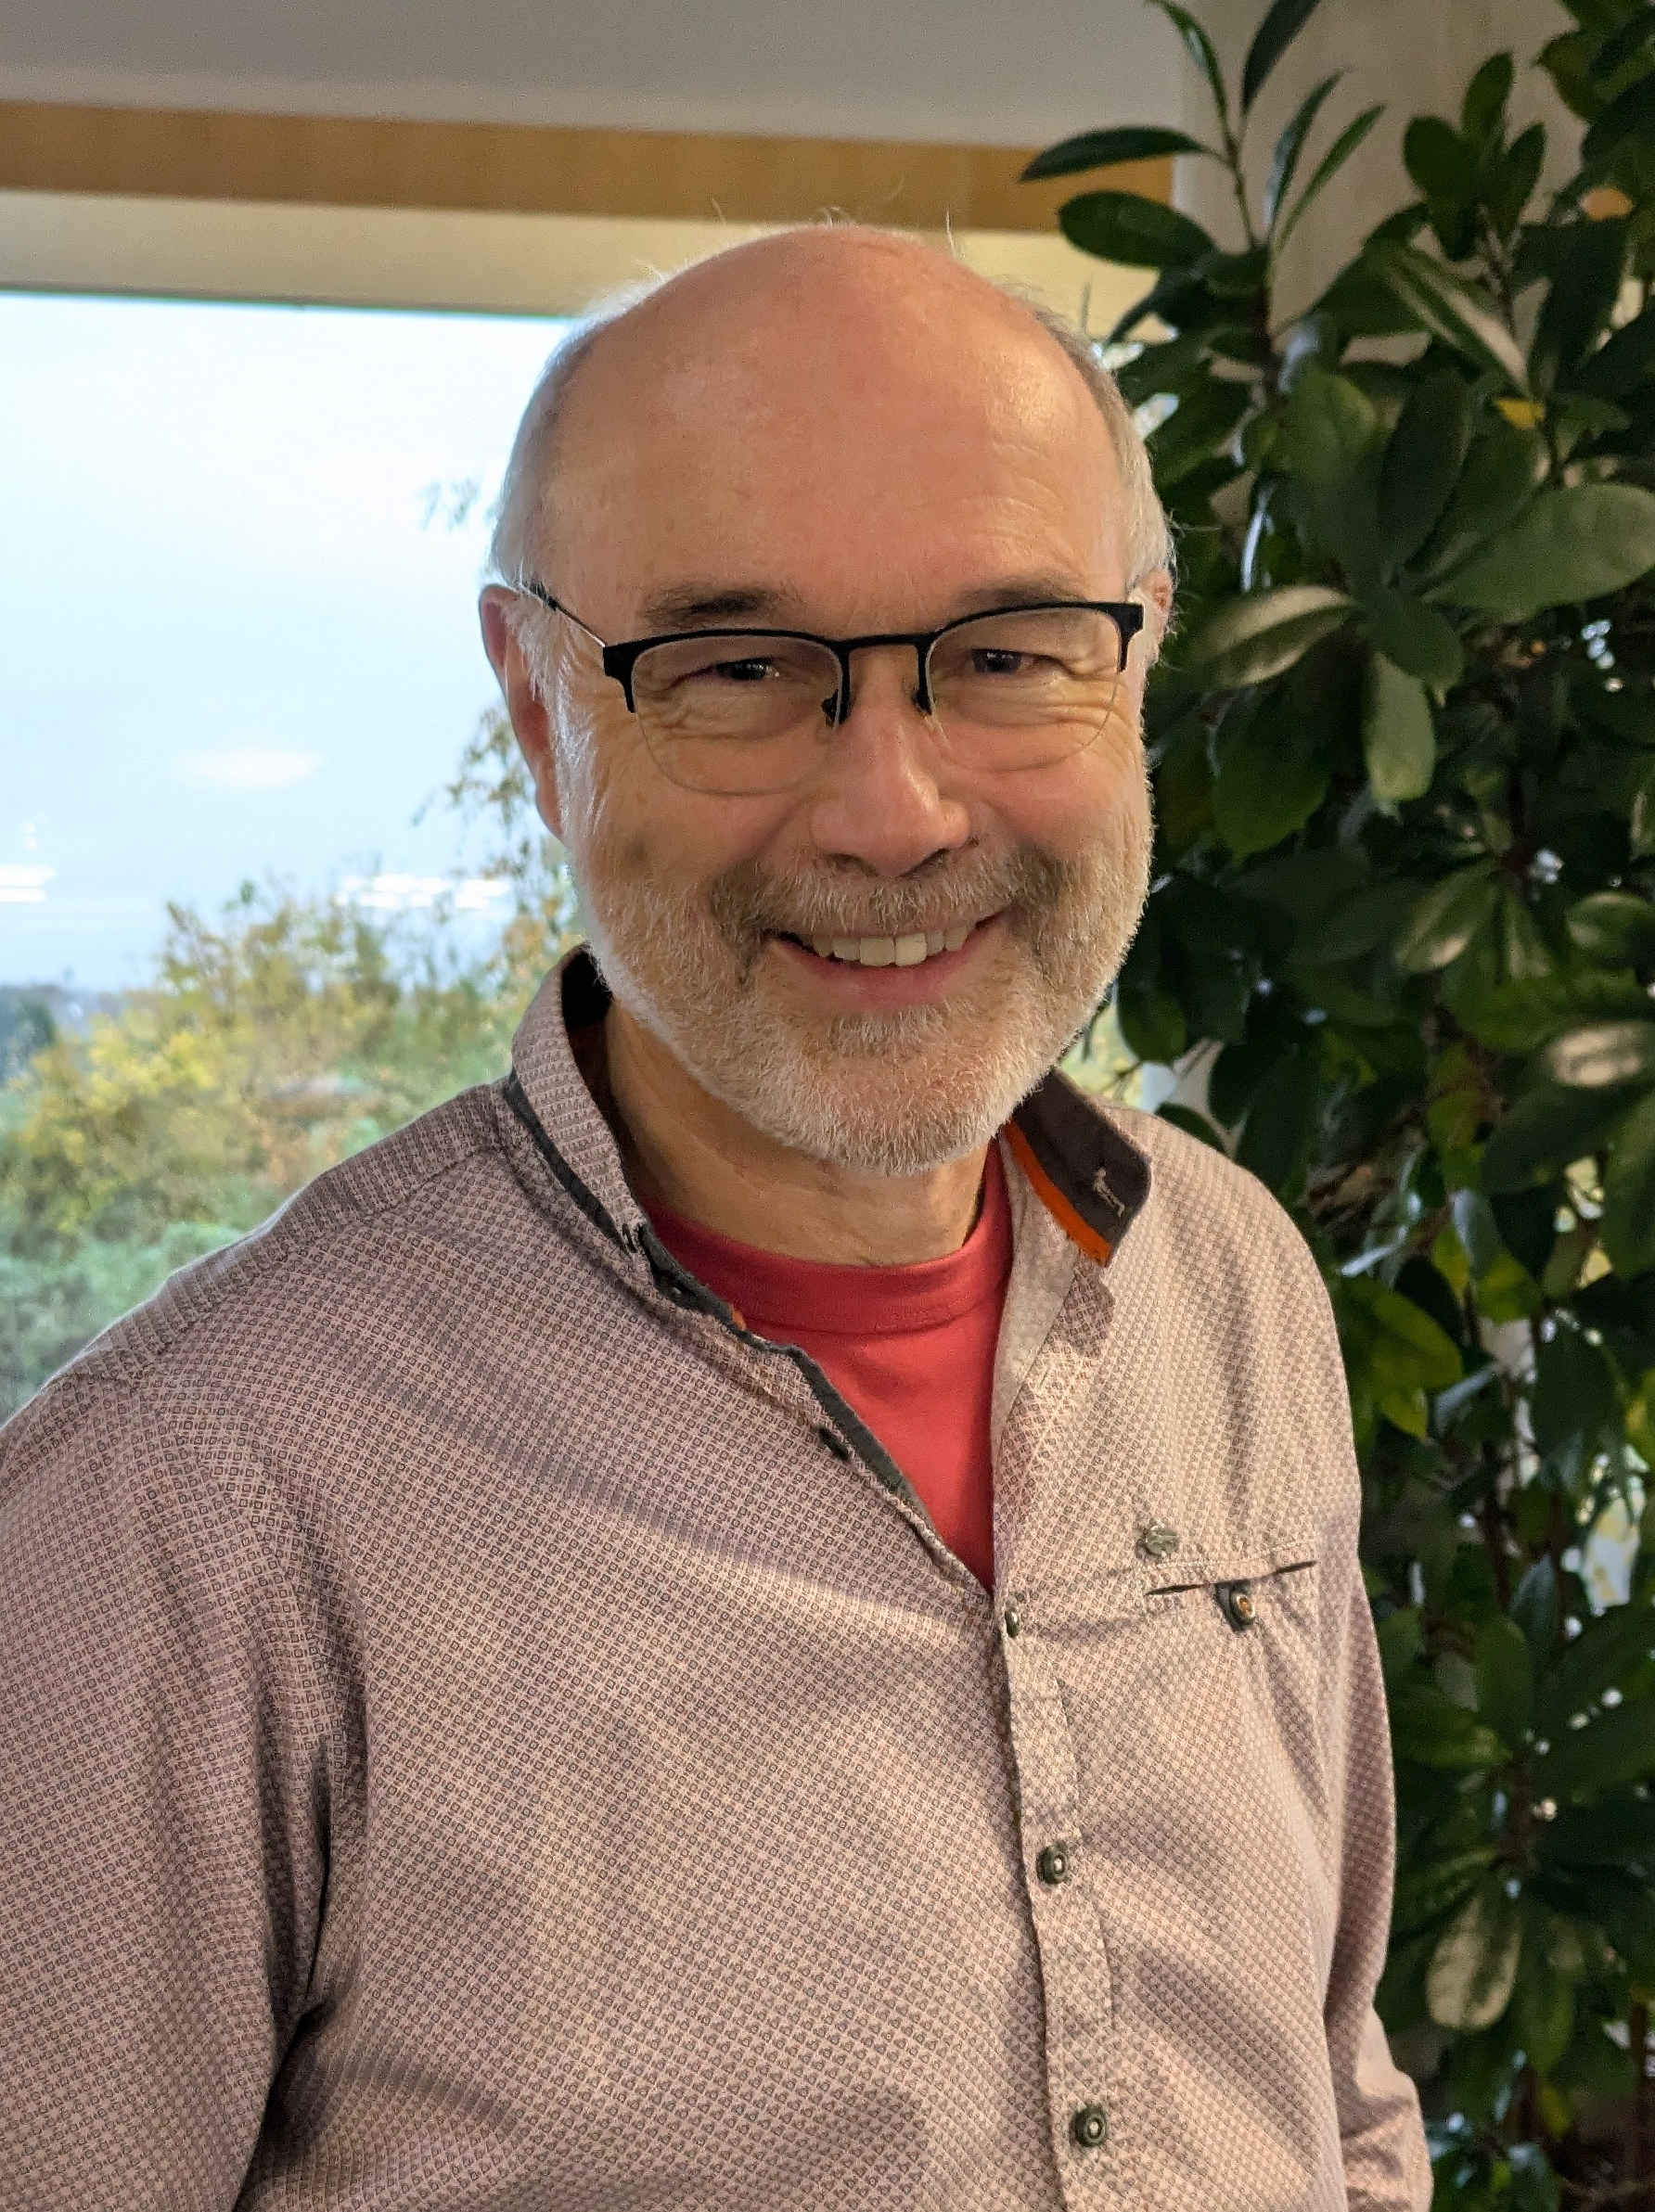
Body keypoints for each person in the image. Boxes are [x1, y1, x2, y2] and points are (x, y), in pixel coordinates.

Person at [0, 225, 1430, 2211]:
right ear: (538, 707)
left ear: (1138, 657)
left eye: (1007, 649)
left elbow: (1327, 2082)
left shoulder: (1233, 1278)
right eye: (737, 671)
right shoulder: (184, 1498)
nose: (895, 811)